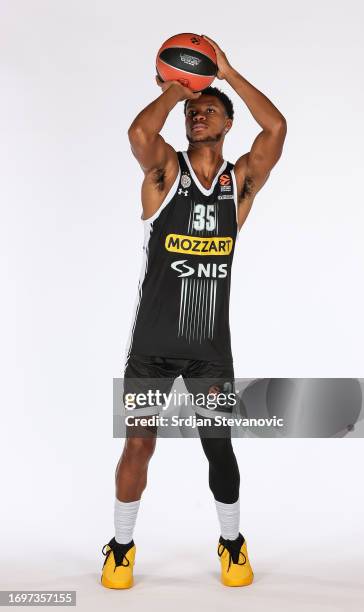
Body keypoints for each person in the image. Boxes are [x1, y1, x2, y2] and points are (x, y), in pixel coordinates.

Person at [101, 35, 287, 589]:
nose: (197, 114)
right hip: (152, 347)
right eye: (191, 111)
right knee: (139, 442)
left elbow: (275, 129)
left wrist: (225, 73)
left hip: (209, 351)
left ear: (227, 123)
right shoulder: (163, 173)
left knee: (218, 446)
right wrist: (179, 86)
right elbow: (140, 133)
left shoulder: (239, 184)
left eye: (208, 109)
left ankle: (231, 543)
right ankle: (121, 546)